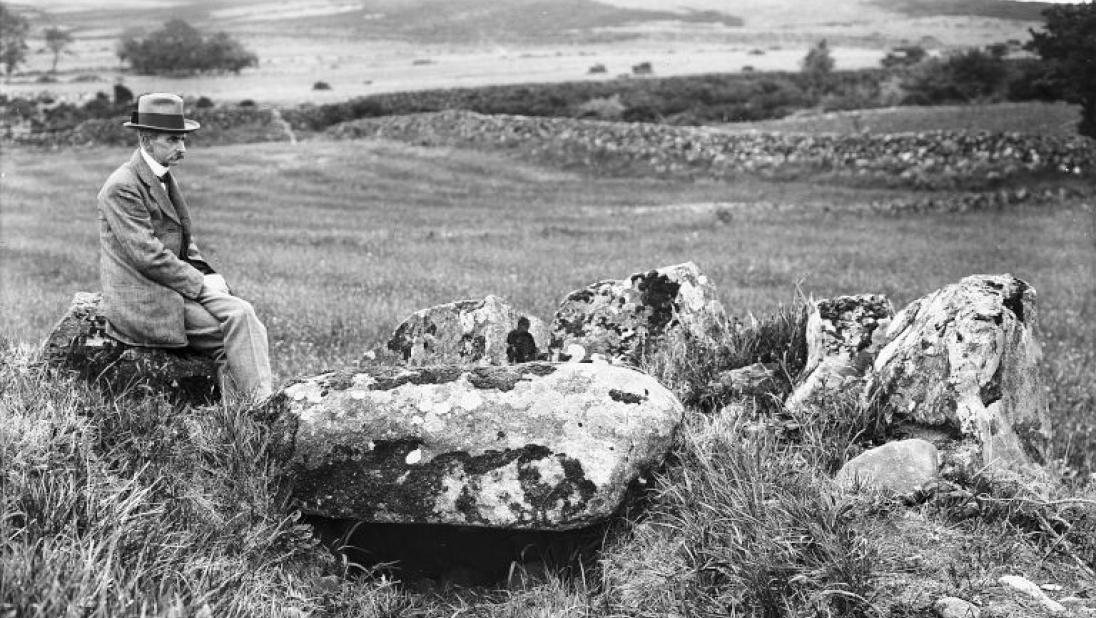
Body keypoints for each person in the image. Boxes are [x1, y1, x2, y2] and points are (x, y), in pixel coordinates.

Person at [97, 92, 272, 403]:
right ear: (146, 139)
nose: (182, 149)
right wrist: (200, 283)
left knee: (243, 315)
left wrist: (206, 271)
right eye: (173, 140)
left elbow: (184, 241)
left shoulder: (161, 175)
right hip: (145, 297)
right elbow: (147, 255)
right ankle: (253, 417)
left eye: (183, 140)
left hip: (172, 287)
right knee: (234, 330)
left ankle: (250, 413)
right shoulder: (121, 186)